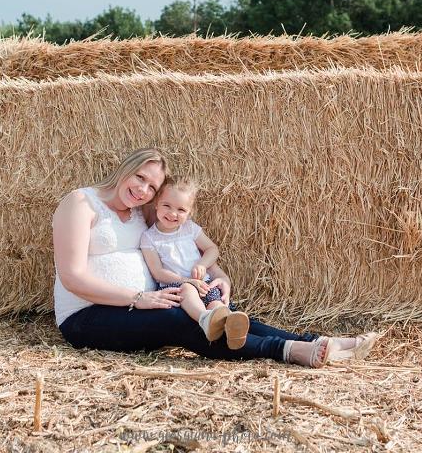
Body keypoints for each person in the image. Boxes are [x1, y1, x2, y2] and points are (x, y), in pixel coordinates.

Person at [53, 148, 377, 367]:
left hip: (142, 302)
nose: (143, 190)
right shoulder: (81, 203)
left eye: (152, 188)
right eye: (140, 177)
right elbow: (73, 277)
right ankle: (288, 351)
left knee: (222, 313)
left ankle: (317, 339)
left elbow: (180, 246)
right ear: (126, 169)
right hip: (88, 317)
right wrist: (140, 298)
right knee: (178, 320)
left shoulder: (140, 214)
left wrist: (218, 276)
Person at [140, 175, 250, 349]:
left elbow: (212, 249)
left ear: (190, 212)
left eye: (181, 210)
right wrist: (188, 281)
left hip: (203, 283)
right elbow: (158, 272)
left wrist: (202, 265)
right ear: (156, 204)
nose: (173, 214)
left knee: (217, 304)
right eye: (166, 205)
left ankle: (230, 327)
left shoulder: (190, 229)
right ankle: (205, 320)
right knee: (187, 290)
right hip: (176, 287)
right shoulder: (149, 238)